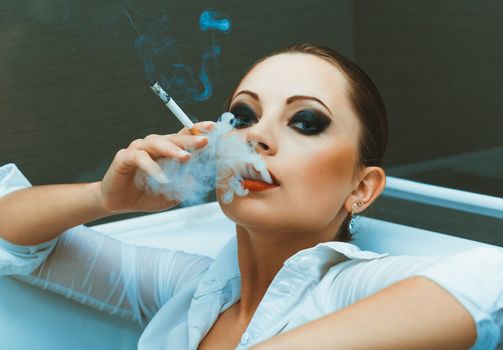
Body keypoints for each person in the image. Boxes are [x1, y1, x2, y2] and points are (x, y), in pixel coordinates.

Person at [0, 44, 502, 350]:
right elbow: (17, 240)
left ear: (361, 188)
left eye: (306, 121)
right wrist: (103, 197)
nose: (255, 137)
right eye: (242, 117)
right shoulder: (191, 290)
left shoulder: (347, 291)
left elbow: (491, 285)